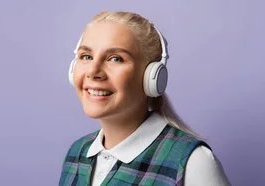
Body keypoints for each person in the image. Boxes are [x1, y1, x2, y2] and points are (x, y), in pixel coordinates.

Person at [58, 11, 231, 186]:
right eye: (86, 56)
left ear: (151, 77)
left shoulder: (192, 162)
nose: (93, 72)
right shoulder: (77, 153)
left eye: (116, 59)